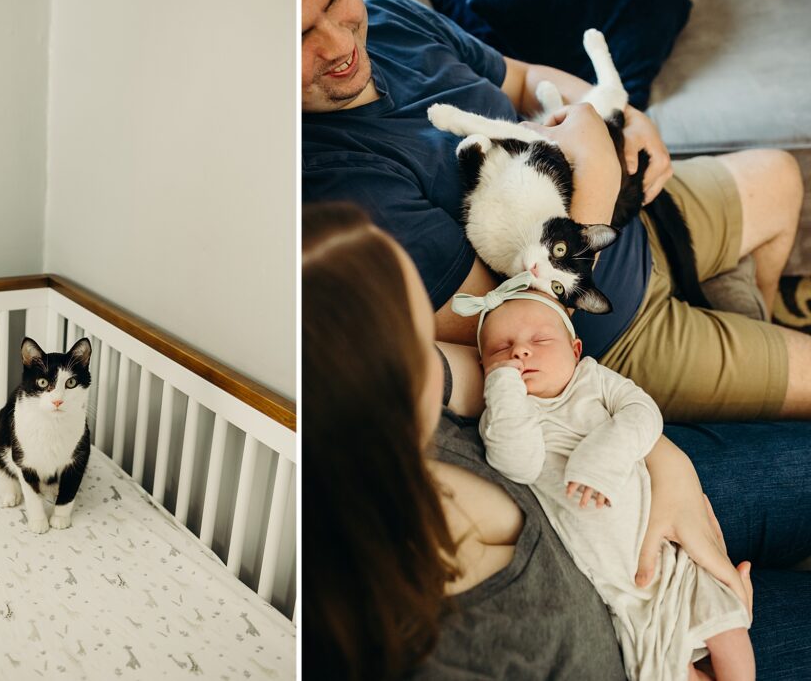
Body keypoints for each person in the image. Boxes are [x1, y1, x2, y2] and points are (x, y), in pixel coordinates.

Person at [300, 0, 811, 421]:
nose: (340, 43)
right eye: (300, 35)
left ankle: (748, 326)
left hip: (640, 218)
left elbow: (522, 79)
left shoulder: (389, 14)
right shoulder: (331, 185)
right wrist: (596, 166)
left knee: (782, 176)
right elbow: (508, 319)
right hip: (615, 332)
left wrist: (624, 119)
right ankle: (747, 381)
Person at [303, 200, 811, 680]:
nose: (439, 351)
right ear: (385, 386)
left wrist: (668, 467)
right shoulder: (436, 649)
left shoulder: (410, 399)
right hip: (645, 648)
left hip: (640, 490)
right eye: (419, 337)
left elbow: (599, 399)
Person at [468, 275, 753, 680]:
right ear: (483, 369)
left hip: (671, 561)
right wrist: (503, 387)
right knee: (667, 672)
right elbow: (518, 464)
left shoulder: (593, 380)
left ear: (575, 348)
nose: (520, 352)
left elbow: (643, 414)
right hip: (621, 596)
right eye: (501, 349)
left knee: (729, 628)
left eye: (540, 340)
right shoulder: (507, 420)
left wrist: (601, 457)